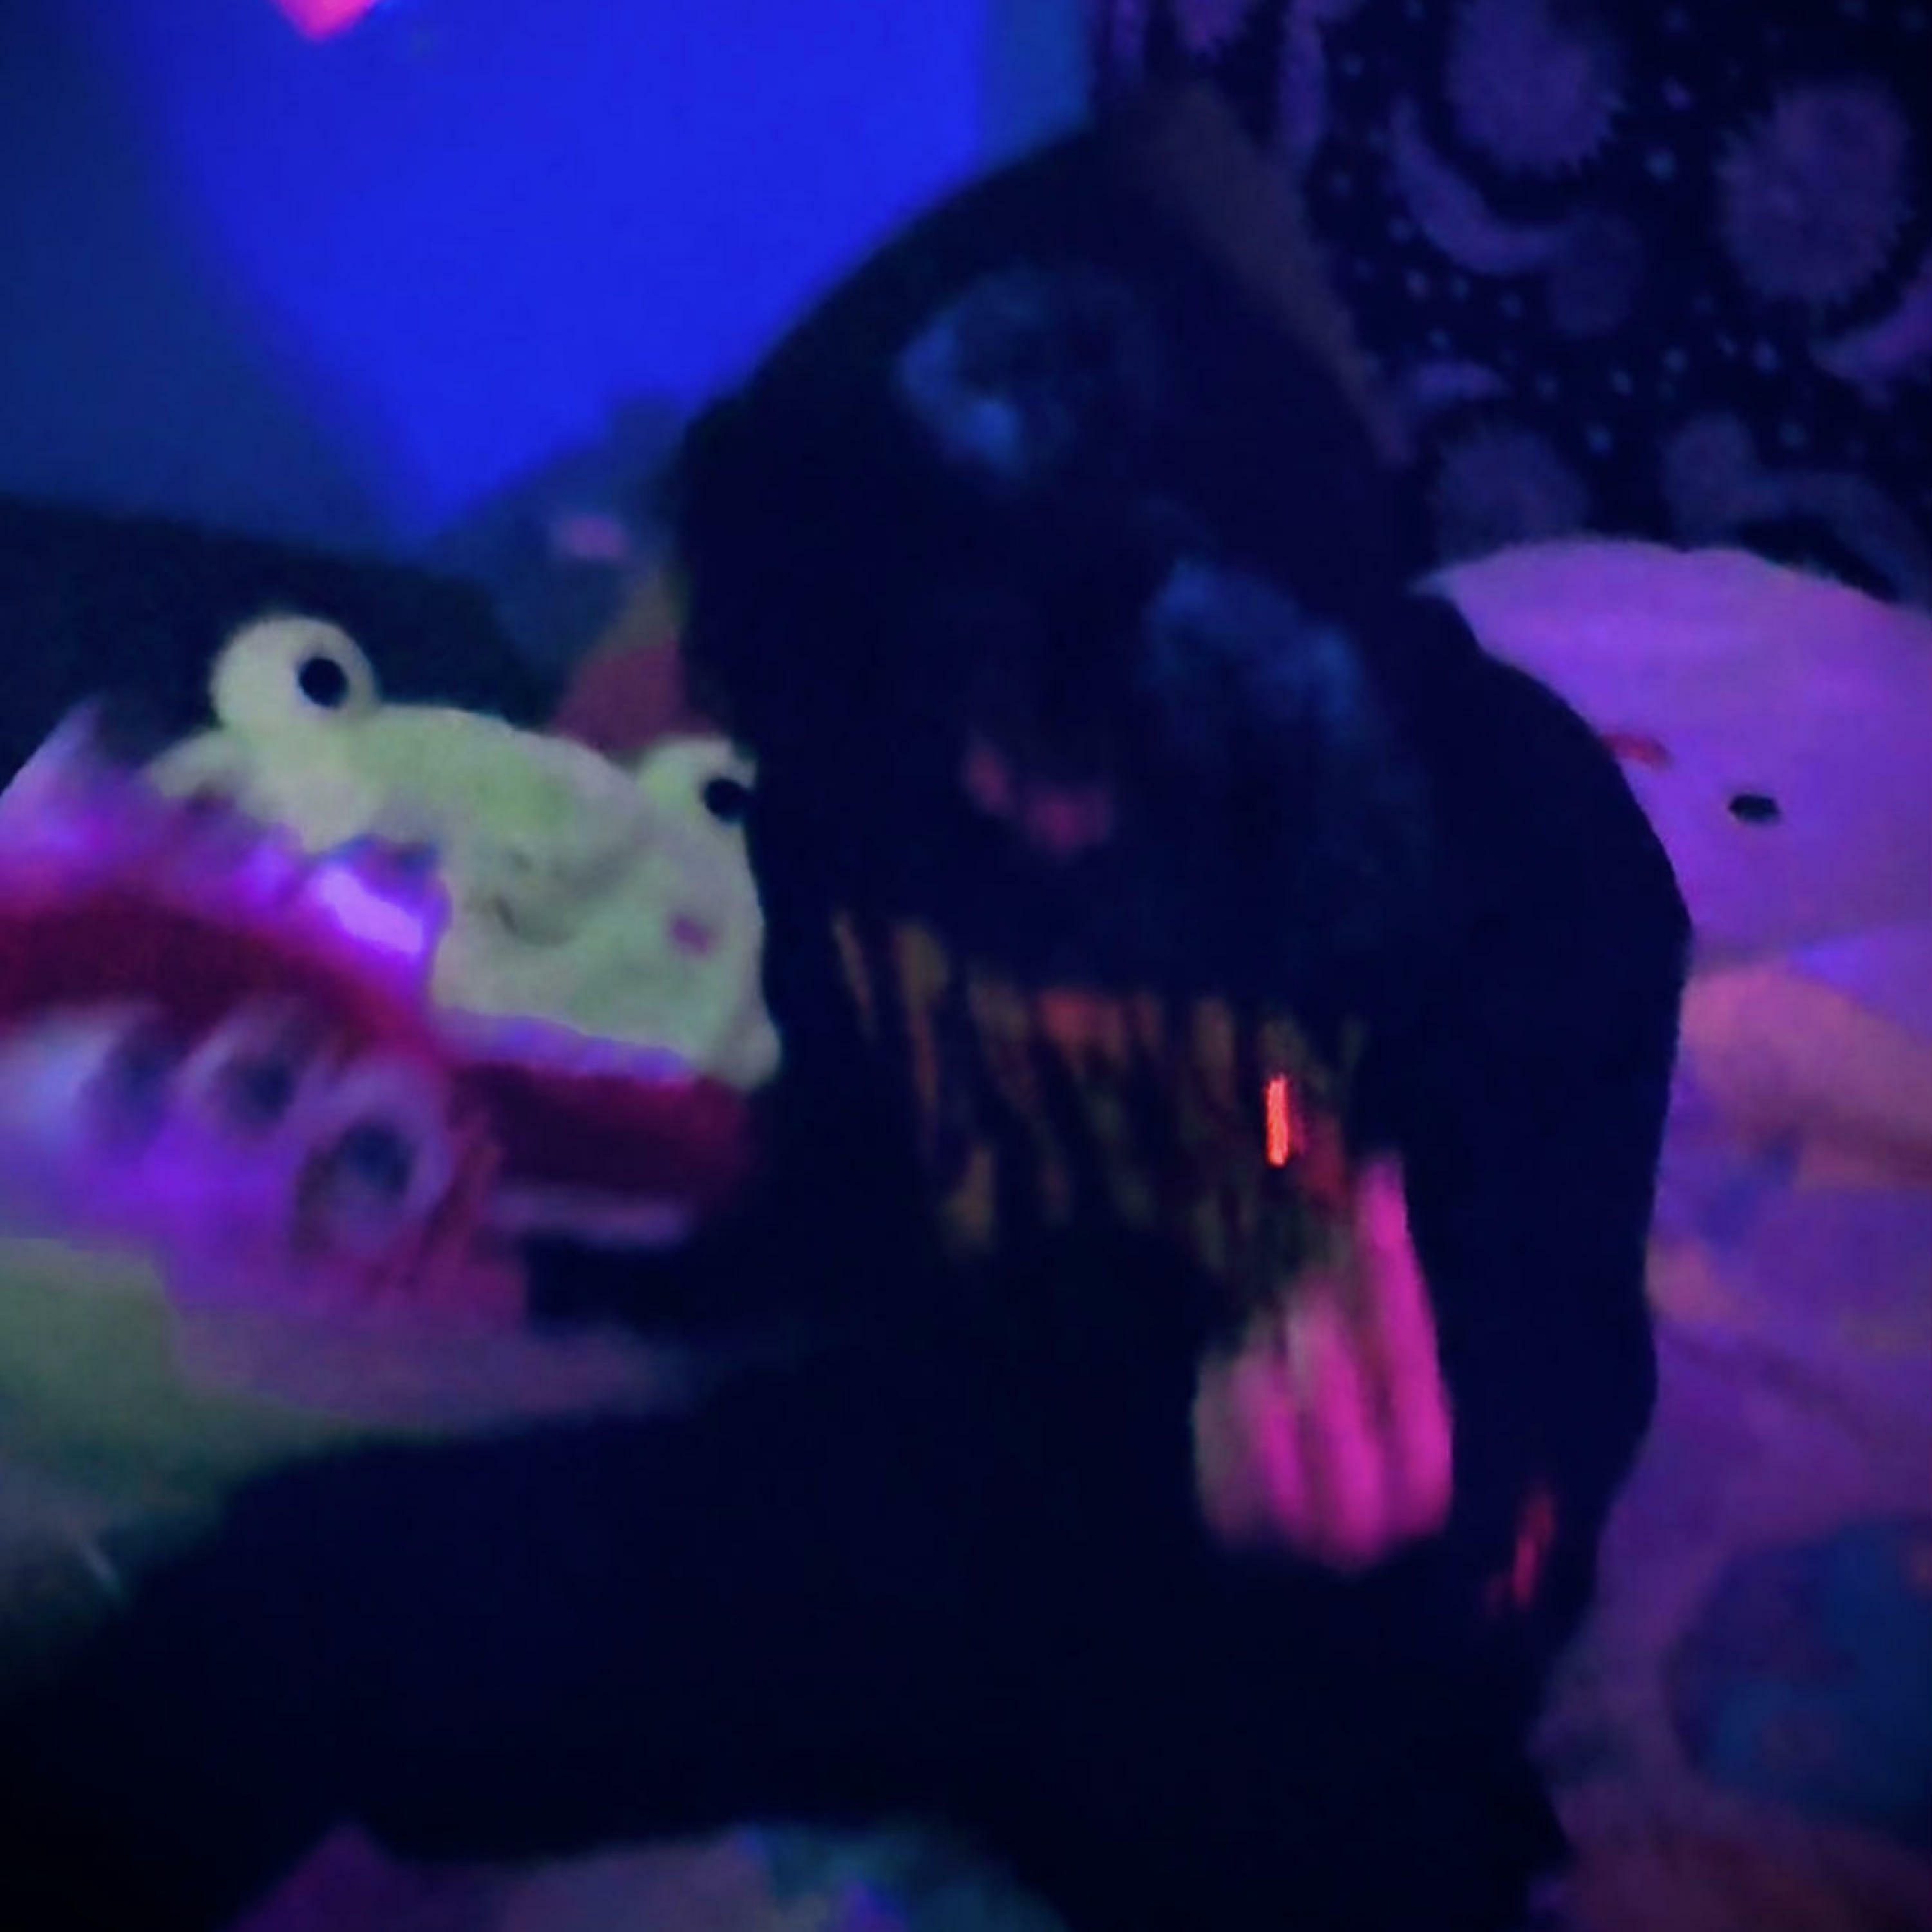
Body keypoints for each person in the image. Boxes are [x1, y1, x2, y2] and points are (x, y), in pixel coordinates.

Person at [0, 92, 1686, 1932]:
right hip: (949, 1452)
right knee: (288, 1605)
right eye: (937, 704)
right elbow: (864, 1166)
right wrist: (614, 1282)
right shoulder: (875, 761)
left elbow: (1544, 1434)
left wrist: (1411, 1517)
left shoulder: (1515, 852)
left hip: (1284, 1612)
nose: (996, 793)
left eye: (1063, 713)